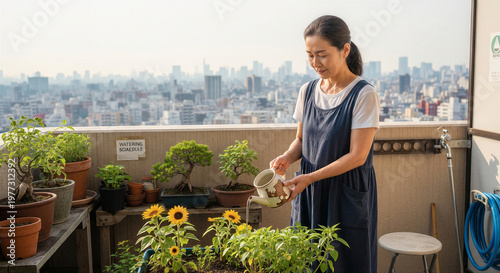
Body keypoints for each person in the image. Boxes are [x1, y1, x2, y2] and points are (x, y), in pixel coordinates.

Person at [270, 15, 380, 273]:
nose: (315, 63)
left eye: (322, 55)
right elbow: (300, 139)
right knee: (306, 258)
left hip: (346, 191)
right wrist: (287, 157)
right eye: (309, 55)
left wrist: (311, 177)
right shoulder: (307, 91)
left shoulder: (363, 94)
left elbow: (357, 156)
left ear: (344, 50)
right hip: (310, 190)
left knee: (347, 262)